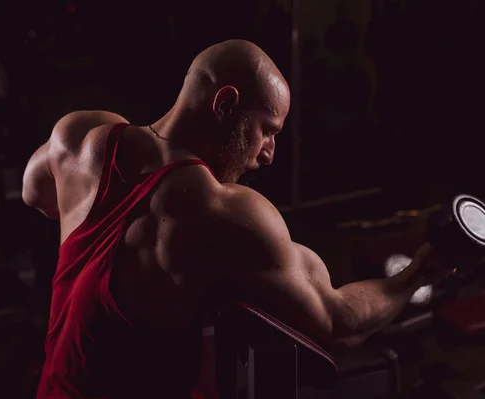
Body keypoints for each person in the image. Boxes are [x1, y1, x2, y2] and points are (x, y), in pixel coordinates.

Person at [23, 40, 441, 399]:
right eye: (266, 130)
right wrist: (417, 274)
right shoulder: (219, 213)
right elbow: (339, 322)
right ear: (225, 105)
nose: (268, 154)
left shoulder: (79, 136)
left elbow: (35, 194)